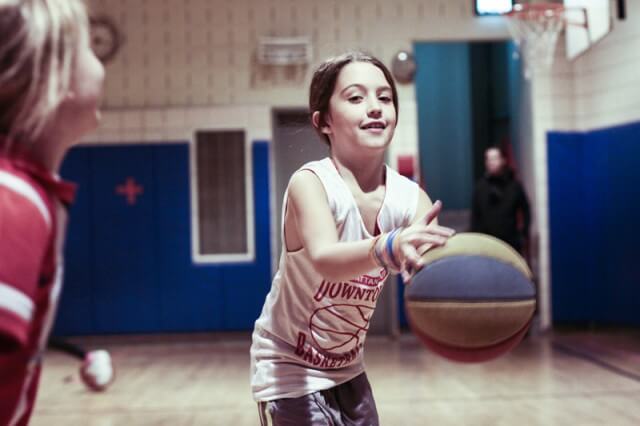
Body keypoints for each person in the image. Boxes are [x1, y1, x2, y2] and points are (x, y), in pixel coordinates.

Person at [250, 51, 455, 425]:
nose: (375, 107)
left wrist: (467, 291)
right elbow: (326, 258)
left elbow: (440, 269)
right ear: (323, 121)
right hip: (288, 369)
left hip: (348, 368)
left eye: (385, 97)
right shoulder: (310, 183)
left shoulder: (410, 198)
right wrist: (389, 246)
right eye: (356, 97)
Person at [0, 0, 105, 423]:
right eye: (90, 47)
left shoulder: (26, 191)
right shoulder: (12, 201)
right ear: (55, 77)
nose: (101, 65)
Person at [470, 146, 531, 254]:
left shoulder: (514, 186)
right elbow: (475, 216)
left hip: (510, 244)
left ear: (503, 160)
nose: (491, 162)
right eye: (488, 159)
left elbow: (526, 209)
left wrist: (523, 233)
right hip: (487, 245)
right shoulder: (480, 187)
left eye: (494, 158)